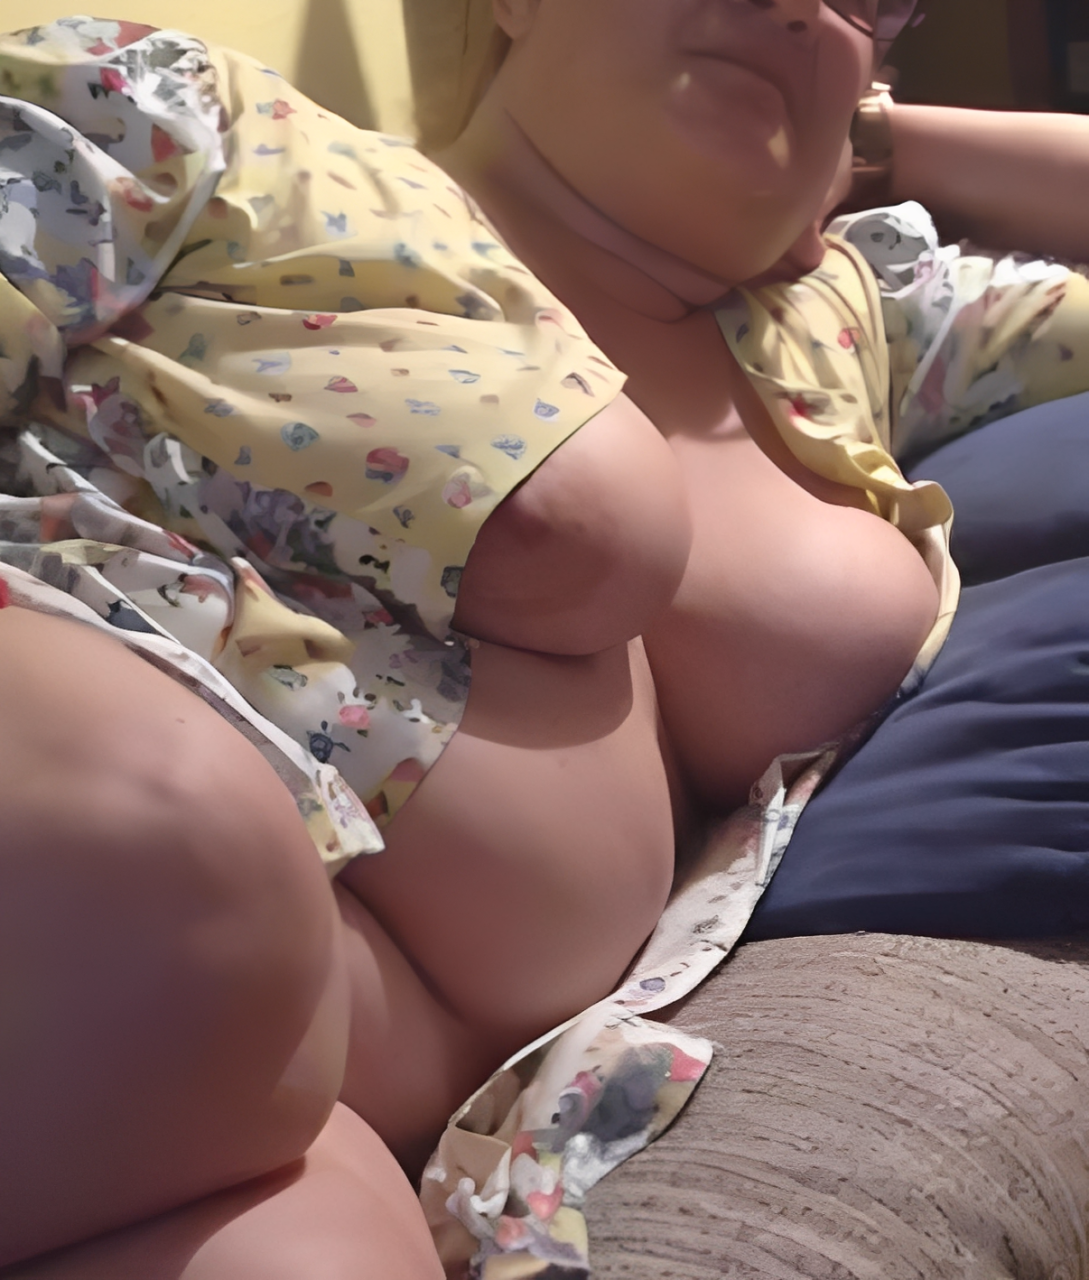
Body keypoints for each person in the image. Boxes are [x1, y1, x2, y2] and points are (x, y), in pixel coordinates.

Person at [1, 2, 1088, 1276]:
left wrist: (877, 138)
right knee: (171, 845)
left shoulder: (852, 315)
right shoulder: (207, 126)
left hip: (330, 1107)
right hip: (100, 869)